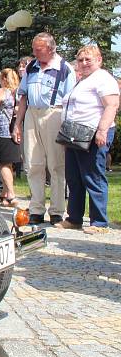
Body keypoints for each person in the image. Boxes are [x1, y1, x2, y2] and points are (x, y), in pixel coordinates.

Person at [54, 45, 119, 234]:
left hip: (93, 134)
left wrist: (102, 131)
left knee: (93, 177)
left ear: (99, 60)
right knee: (74, 178)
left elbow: (111, 105)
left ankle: (99, 222)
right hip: (75, 135)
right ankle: (74, 218)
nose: (83, 63)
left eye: (88, 59)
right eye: (80, 59)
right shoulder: (82, 80)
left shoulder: (103, 79)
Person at [12, 32, 76, 225]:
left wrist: (67, 124)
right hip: (32, 112)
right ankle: (36, 209)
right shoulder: (31, 66)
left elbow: (70, 100)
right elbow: (23, 96)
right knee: (33, 163)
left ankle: (57, 210)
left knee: (57, 164)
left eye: (38, 49)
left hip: (54, 113)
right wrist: (18, 124)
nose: (34, 52)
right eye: (34, 49)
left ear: (50, 49)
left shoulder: (64, 68)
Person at [0, 68, 23, 207]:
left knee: (3, 163)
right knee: (8, 164)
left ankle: (10, 194)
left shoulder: (2, 91)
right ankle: (4, 193)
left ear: (4, 78)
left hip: (2, 131)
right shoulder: (17, 93)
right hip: (14, 131)